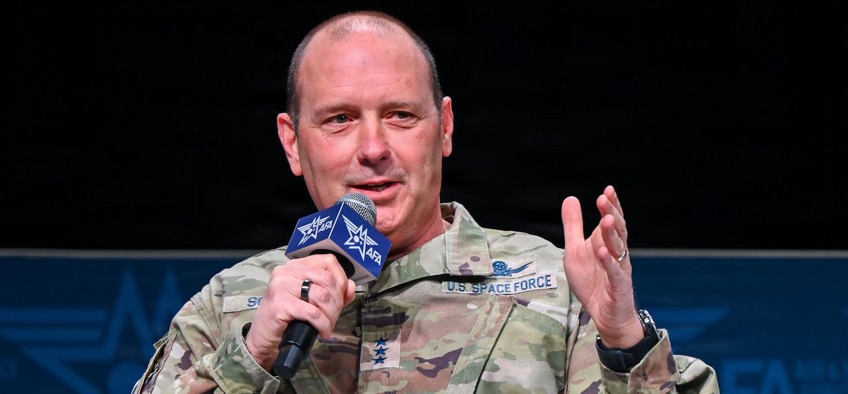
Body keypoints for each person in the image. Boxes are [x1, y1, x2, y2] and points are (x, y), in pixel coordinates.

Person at [133, 10, 718, 393]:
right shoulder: (230, 305)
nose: (372, 148)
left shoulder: (557, 287)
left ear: (444, 128)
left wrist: (624, 343)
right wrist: (254, 353)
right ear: (293, 141)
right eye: (339, 119)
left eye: (400, 116)